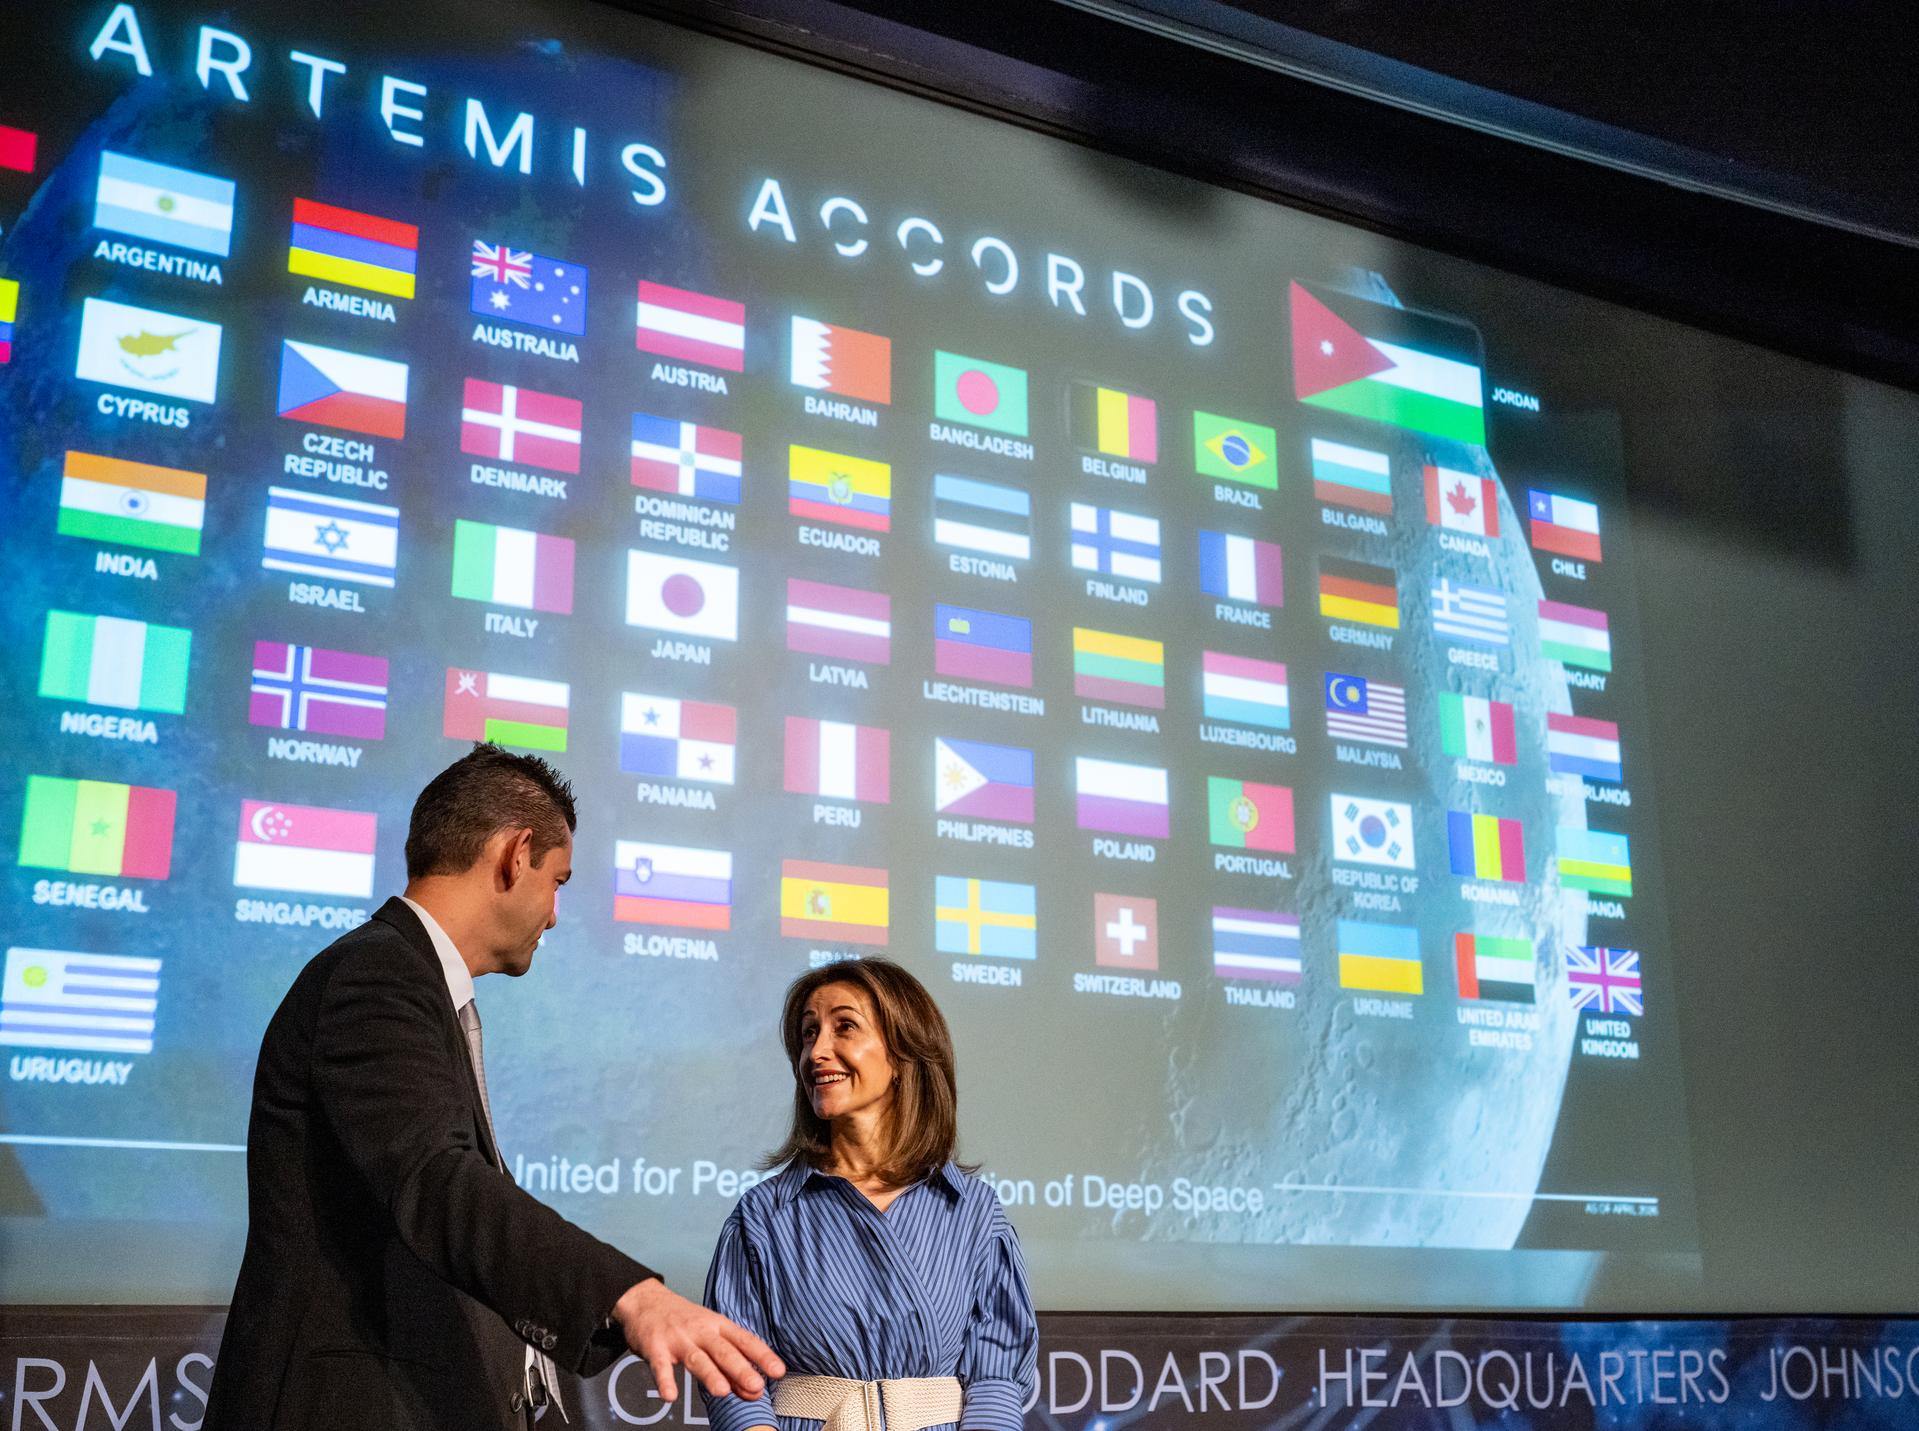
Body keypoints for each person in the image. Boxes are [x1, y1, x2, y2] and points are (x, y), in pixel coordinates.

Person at [205, 744, 783, 1431]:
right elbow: (436, 1181)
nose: (555, 913)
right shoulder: (377, 975)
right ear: (516, 853)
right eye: (559, 881)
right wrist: (628, 1294)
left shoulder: (407, 981)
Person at [701, 959, 1037, 1431]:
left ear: (902, 1054)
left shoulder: (975, 1214)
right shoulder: (763, 1216)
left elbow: (996, 1377)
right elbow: (735, 1374)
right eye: (808, 1033)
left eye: (845, 1027)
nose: (817, 1051)